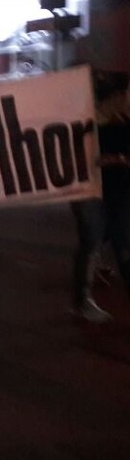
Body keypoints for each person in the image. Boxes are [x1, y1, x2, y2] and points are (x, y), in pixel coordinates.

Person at [70, 70, 130, 323]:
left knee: (125, 248)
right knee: (91, 243)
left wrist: (118, 159)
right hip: (90, 193)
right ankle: (82, 300)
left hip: (120, 193)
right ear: (116, 95)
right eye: (126, 93)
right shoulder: (82, 124)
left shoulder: (125, 121)